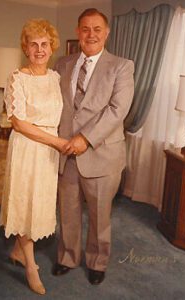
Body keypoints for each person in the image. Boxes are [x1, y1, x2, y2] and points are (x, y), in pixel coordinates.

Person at [52, 8, 135, 285]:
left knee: (100, 215)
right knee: (68, 211)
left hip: (102, 154)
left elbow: (117, 110)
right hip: (65, 153)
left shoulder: (122, 66)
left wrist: (85, 139)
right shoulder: (61, 64)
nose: (91, 34)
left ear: (107, 32)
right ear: (77, 32)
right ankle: (67, 257)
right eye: (85, 29)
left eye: (97, 29)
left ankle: (97, 262)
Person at [0, 19, 66, 295]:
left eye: (44, 44)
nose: (39, 49)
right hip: (27, 147)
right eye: (33, 44)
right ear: (25, 48)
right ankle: (31, 267)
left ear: (52, 48)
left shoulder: (55, 78)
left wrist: (59, 143)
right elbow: (19, 123)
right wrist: (57, 142)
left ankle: (18, 250)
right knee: (25, 203)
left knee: (40, 203)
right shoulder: (17, 78)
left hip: (49, 151)